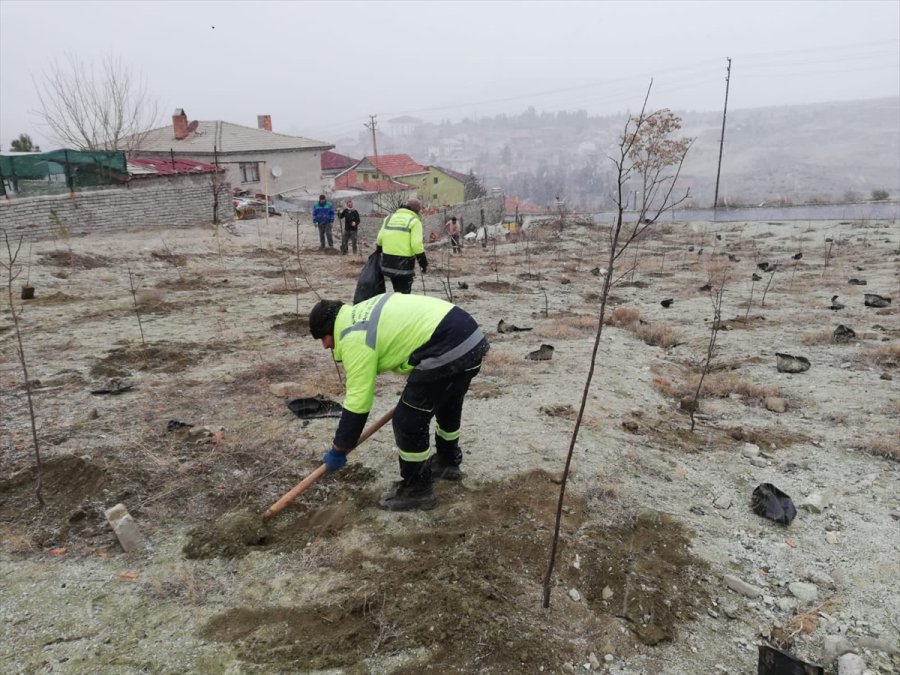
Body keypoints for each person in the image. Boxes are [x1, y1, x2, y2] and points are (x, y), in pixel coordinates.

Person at [309, 293, 489, 511]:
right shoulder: (360, 314)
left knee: (408, 421)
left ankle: (418, 490)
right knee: (448, 401)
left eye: (323, 338)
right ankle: (447, 461)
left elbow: (358, 401)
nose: (325, 346)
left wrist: (340, 447)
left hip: (448, 345)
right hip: (470, 337)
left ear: (331, 329)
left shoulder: (354, 337)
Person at [376, 197, 427, 293]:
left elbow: (379, 239)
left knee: (397, 289)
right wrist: (423, 263)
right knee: (404, 293)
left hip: (388, 263)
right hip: (404, 264)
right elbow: (416, 245)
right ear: (417, 211)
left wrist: (378, 253)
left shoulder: (388, 218)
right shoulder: (415, 222)